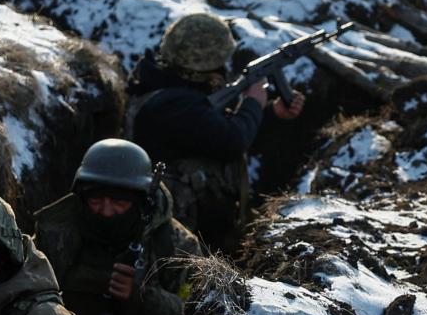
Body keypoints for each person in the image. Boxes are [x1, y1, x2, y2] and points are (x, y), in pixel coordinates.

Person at [126, 13, 305, 252]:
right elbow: (231, 140)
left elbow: (214, 131)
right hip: (175, 240)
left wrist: (271, 112)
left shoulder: (168, 89)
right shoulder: (174, 106)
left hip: (191, 227)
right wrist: (253, 102)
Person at [33, 139, 204, 315]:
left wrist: (143, 297)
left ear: (141, 202)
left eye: (119, 203)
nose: (106, 211)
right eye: (96, 201)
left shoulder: (177, 245)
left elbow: (197, 314)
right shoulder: (56, 230)